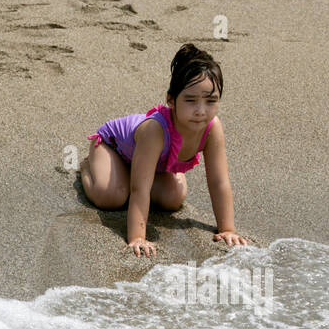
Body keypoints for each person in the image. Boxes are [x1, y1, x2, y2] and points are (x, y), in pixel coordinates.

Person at [79, 43, 251, 257]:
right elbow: (139, 190)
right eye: (190, 100)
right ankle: (87, 165)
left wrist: (227, 230)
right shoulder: (155, 130)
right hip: (111, 147)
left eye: (210, 101)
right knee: (113, 196)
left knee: (173, 198)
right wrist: (137, 237)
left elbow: (219, 181)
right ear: (171, 100)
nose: (200, 111)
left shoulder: (212, 127)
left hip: (145, 161)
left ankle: (128, 174)